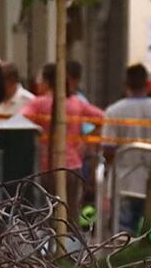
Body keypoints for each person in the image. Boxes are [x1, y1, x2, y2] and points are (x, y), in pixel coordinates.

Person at [22, 63, 105, 223]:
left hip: (49, 165)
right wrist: (85, 140)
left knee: (48, 212)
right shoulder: (76, 102)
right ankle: (71, 237)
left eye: (40, 80)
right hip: (74, 166)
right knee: (71, 212)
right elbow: (103, 118)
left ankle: (54, 237)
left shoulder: (39, 104)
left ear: (48, 81)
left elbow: (19, 119)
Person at [102, 64, 151, 234]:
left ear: (126, 84)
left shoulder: (114, 111)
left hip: (123, 181)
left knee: (123, 234)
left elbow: (108, 149)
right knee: (150, 231)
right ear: (147, 84)